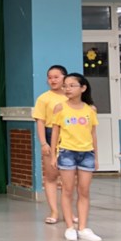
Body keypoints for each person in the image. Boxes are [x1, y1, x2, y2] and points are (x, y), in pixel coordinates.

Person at [50, 73, 102, 241]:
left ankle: (83, 228)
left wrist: (96, 157)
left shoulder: (91, 110)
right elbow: (55, 132)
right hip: (67, 153)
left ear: (83, 88)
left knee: (84, 190)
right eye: (65, 86)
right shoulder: (60, 108)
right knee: (67, 190)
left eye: (72, 85)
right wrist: (53, 155)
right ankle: (70, 227)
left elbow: (93, 134)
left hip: (87, 153)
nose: (67, 89)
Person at [32, 65, 68, 224]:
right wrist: (43, 143)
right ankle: (54, 211)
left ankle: (69, 212)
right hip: (49, 134)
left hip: (69, 136)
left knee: (69, 178)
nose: (52, 80)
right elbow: (40, 122)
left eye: (56, 77)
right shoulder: (43, 98)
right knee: (51, 175)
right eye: (49, 77)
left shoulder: (71, 97)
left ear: (64, 78)